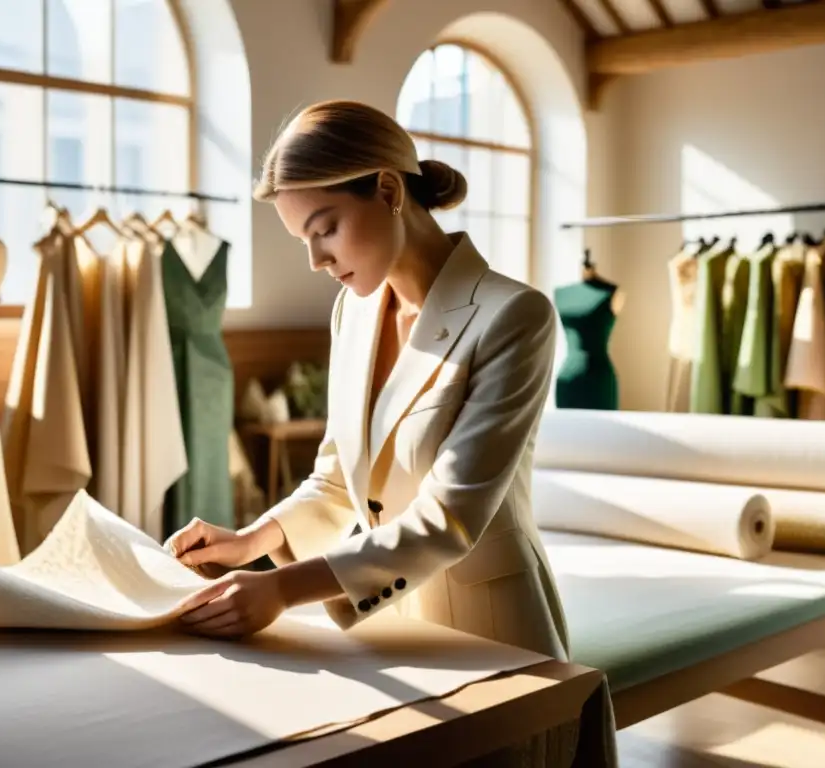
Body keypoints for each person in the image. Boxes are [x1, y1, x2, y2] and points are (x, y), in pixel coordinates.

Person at [168, 100, 570, 663]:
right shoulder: (351, 312)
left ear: (387, 192)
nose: (315, 259)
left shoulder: (514, 316)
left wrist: (283, 589)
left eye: (325, 228)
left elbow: (450, 517)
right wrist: (253, 543)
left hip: (492, 628)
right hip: (383, 625)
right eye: (302, 240)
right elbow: (335, 481)